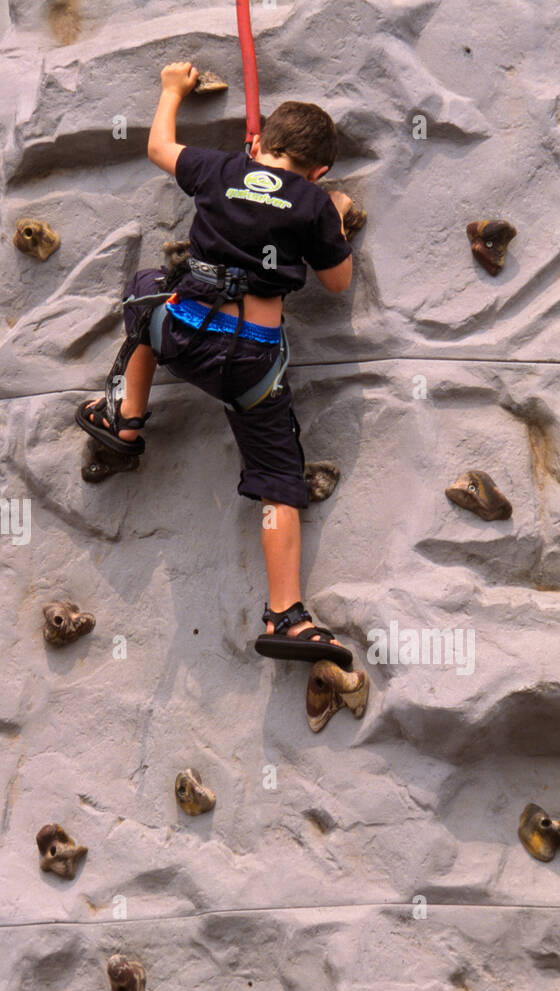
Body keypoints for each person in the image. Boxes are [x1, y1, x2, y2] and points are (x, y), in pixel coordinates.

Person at [76, 62, 356, 668]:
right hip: (246, 367)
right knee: (278, 477)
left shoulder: (222, 167)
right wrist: (331, 213)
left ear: (256, 144)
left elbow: (157, 146)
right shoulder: (312, 202)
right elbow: (338, 283)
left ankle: (125, 417)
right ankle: (286, 614)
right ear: (320, 171)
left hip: (180, 333)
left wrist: (171, 88)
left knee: (147, 287)